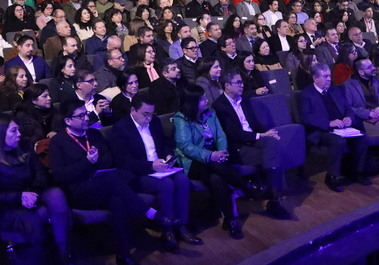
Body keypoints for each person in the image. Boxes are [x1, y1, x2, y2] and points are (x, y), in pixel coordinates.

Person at [49, 100, 175, 264]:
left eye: (86, 114)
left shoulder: (94, 134)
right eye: (80, 116)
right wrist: (87, 162)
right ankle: (148, 212)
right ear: (68, 121)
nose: (86, 118)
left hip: (104, 186)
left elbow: (109, 160)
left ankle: (123, 254)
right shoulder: (58, 142)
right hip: (79, 190)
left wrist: (93, 164)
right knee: (113, 179)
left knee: (118, 201)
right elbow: (61, 175)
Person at [111, 93, 203, 252]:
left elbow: (165, 143)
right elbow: (124, 162)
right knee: (166, 185)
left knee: (182, 180)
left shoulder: (154, 122)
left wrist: (168, 155)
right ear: (133, 110)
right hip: (139, 173)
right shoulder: (121, 128)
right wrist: (150, 166)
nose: (149, 118)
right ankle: (167, 231)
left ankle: (181, 225)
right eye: (145, 114)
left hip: (160, 167)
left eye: (152, 114)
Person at [173, 85, 268, 240]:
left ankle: (230, 221)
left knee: (217, 179)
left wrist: (222, 152)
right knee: (212, 166)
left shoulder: (211, 113)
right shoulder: (181, 119)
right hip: (193, 161)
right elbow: (185, 146)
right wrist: (211, 155)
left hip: (216, 160)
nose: (206, 100)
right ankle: (244, 185)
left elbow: (221, 136)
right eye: (202, 99)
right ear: (192, 102)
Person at [0, 113, 72, 264]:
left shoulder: (25, 148)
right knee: (41, 214)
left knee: (56, 194)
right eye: (13, 131)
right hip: (8, 206)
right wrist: (19, 197)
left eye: (18, 130)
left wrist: (30, 194)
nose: (19, 134)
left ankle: (63, 250)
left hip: (31, 193)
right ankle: (44, 256)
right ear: (0, 134)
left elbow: (41, 174)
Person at [212, 70, 291, 218]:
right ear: (227, 85)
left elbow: (254, 123)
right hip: (238, 147)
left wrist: (267, 132)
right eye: (238, 82)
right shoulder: (219, 106)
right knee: (273, 155)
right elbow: (234, 134)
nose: (242, 85)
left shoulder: (244, 100)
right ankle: (275, 199)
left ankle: (272, 194)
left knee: (271, 143)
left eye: (242, 82)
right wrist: (261, 135)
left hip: (253, 141)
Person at [298, 63, 370, 192]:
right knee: (338, 142)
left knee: (362, 138)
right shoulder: (306, 94)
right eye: (325, 76)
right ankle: (332, 176)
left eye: (329, 76)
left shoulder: (336, 90)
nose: (329, 79)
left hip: (342, 127)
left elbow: (348, 109)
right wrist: (328, 123)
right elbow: (305, 117)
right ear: (315, 78)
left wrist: (348, 118)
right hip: (322, 130)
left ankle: (356, 171)